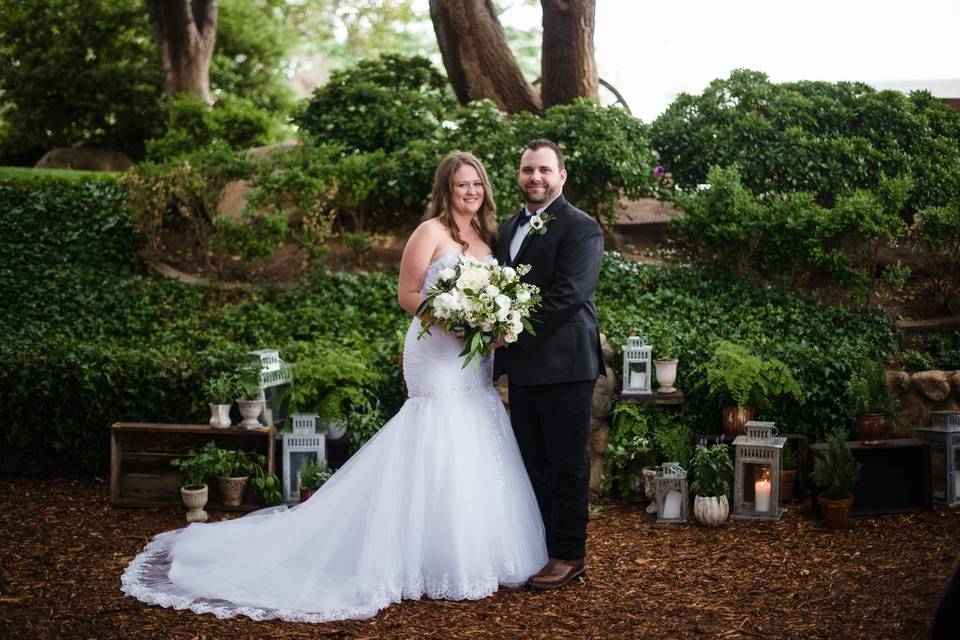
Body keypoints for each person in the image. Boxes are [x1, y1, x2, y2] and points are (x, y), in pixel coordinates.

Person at [120, 151, 548, 623]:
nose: (471, 192)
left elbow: (499, 297)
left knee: (474, 429)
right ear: (446, 189)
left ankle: (467, 551)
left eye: (477, 184)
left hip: (473, 358)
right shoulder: (429, 232)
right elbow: (407, 294)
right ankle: (410, 553)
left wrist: (492, 324)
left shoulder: (489, 237)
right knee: (435, 431)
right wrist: (451, 318)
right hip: (436, 351)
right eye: (461, 184)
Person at [493, 138, 605, 590]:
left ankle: (567, 555)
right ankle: (538, 548)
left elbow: (568, 296)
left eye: (543, 170)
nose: (534, 178)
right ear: (518, 176)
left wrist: (509, 328)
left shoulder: (581, 228)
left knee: (567, 465)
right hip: (523, 369)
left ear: (561, 176)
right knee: (532, 463)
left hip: (566, 366)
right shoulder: (506, 228)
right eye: (526, 170)